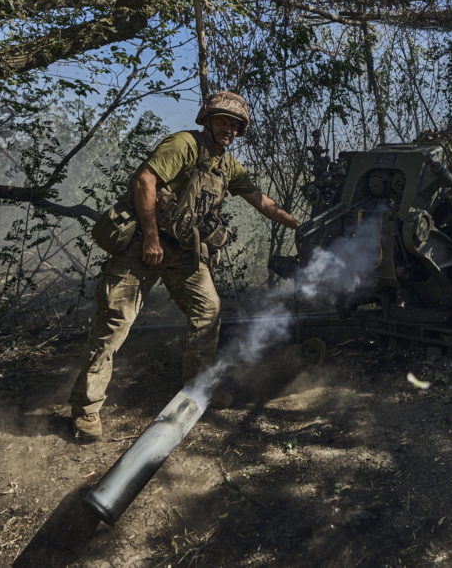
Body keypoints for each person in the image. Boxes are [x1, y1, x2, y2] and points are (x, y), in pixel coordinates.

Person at [69, 91, 300, 441]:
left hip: (185, 253)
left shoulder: (228, 165)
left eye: (235, 125)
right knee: (114, 322)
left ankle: (197, 392)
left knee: (208, 311)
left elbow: (260, 201)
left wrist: (299, 225)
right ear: (207, 120)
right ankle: (86, 409)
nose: (229, 129)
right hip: (143, 246)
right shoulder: (184, 145)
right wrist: (151, 238)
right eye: (223, 121)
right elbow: (145, 181)